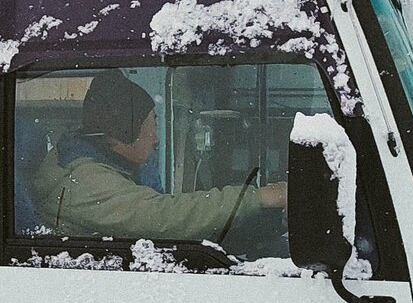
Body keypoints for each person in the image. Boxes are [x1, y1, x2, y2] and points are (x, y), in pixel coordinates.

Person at [31, 70, 285, 243]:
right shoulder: (86, 181)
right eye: (150, 124)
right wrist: (260, 197)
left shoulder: (104, 165)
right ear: (125, 131)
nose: (156, 139)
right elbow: (164, 217)